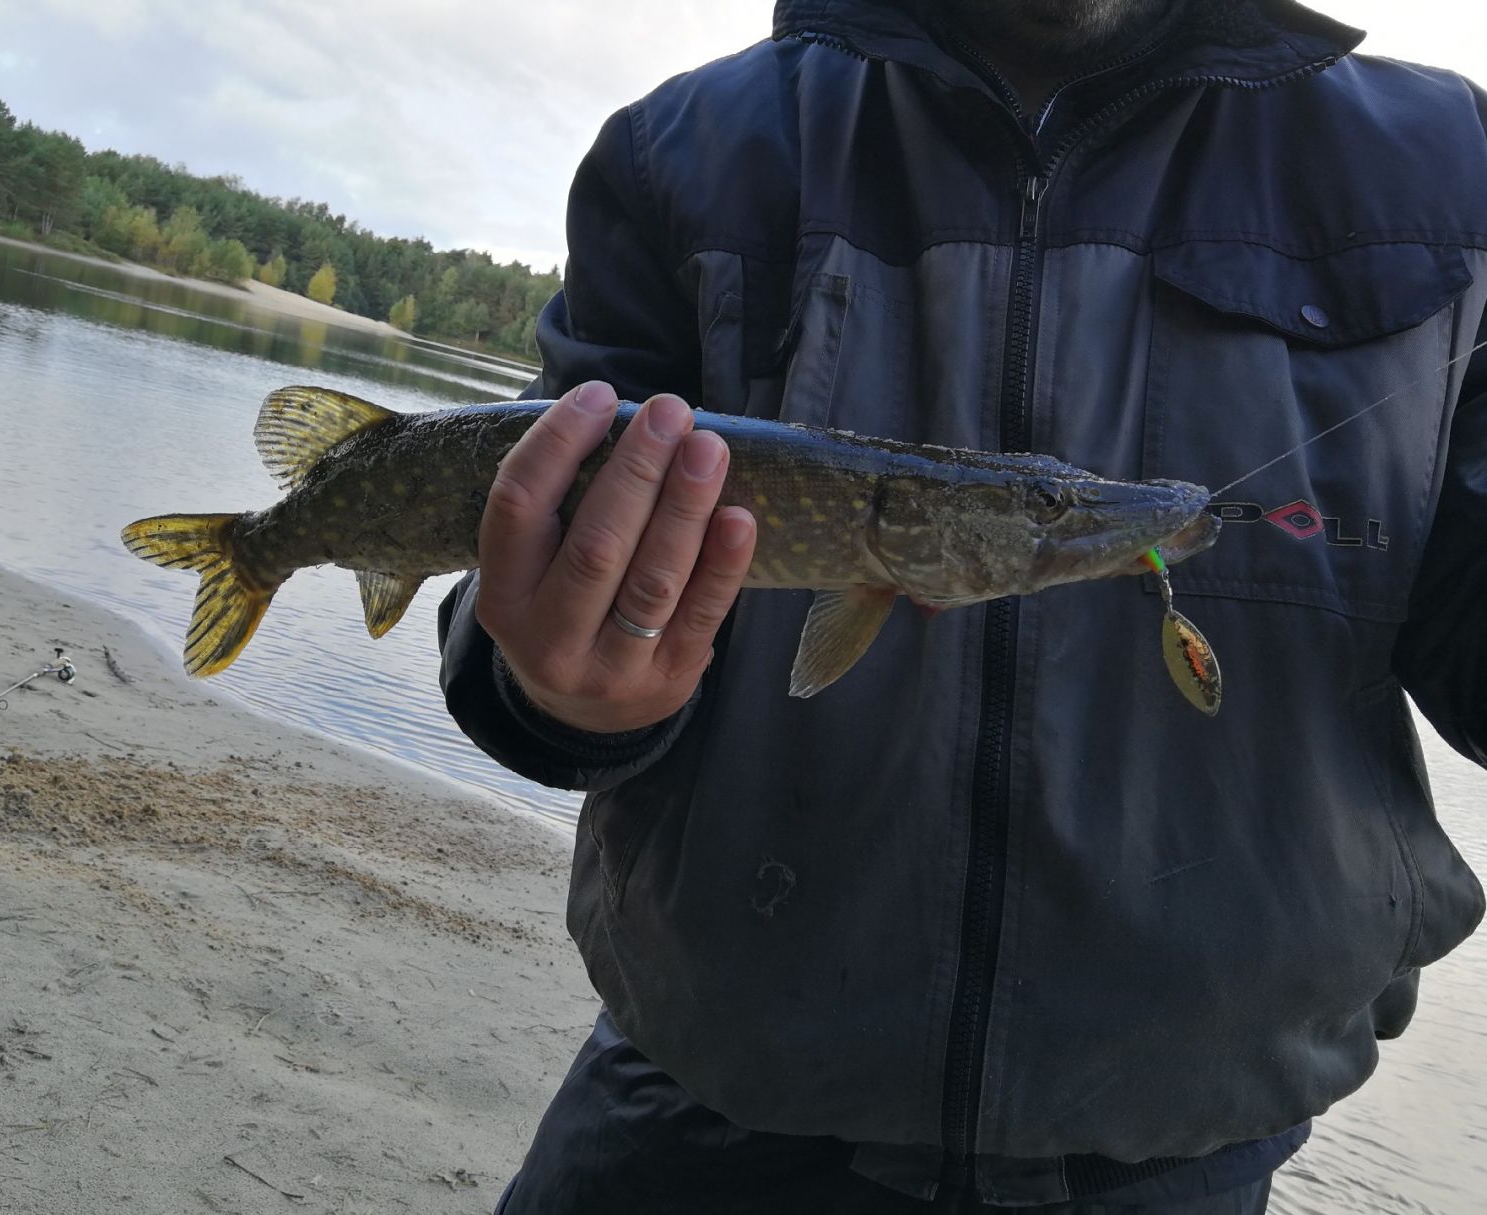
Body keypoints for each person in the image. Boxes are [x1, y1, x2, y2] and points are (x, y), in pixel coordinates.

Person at [438, 1, 1487, 1210]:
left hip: (1180, 1146)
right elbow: (512, 591)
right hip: (700, 1102)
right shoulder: (690, 151)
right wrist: (566, 692)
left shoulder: (1450, 169)